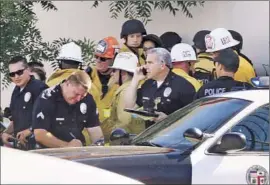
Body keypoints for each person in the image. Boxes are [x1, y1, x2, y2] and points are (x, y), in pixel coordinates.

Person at [125, 48, 196, 128]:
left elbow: (194, 117)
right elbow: (129, 107)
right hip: (150, 136)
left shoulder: (183, 86)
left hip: (174, 136)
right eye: (146, 62)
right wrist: (135, 80)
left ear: (162, 65)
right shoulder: (148, 84)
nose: (145, 66)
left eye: (150, 63)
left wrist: (168, 120)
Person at [33, 71, 104, 148]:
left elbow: (94, 129)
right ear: (67, 83)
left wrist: (98, 147)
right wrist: (67, 146)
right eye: (76, 94)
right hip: (51, 153)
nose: (78, 99)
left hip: (78, 151)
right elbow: (40, 134)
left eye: (82, 96)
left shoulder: (88, 100)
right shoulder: (48, 97)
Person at [1, 56, 48, 150]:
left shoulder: (39, 88)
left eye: (19, 72)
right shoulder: (16, 91)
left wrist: (30, 130)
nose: (16, 77)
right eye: (12, 74)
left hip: (40, 147)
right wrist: (6, 133)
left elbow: (49, 115)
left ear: (28, 70)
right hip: (22, 147)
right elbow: (16, 120)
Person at [102, 52, 145, 141]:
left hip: (124, 142)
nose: (111, 74)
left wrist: (106, 136)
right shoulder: (133, 88)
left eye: (114, 71)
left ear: (123, 73)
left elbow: (124, 123)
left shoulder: (125, 92)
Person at [85, 37, 120, 132]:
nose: (98, 60)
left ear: (114, 59)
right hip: (91, 132)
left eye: (103, 58)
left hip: (113, 134)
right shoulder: (87, 75)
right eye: (96, 57)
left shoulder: (121, 78)